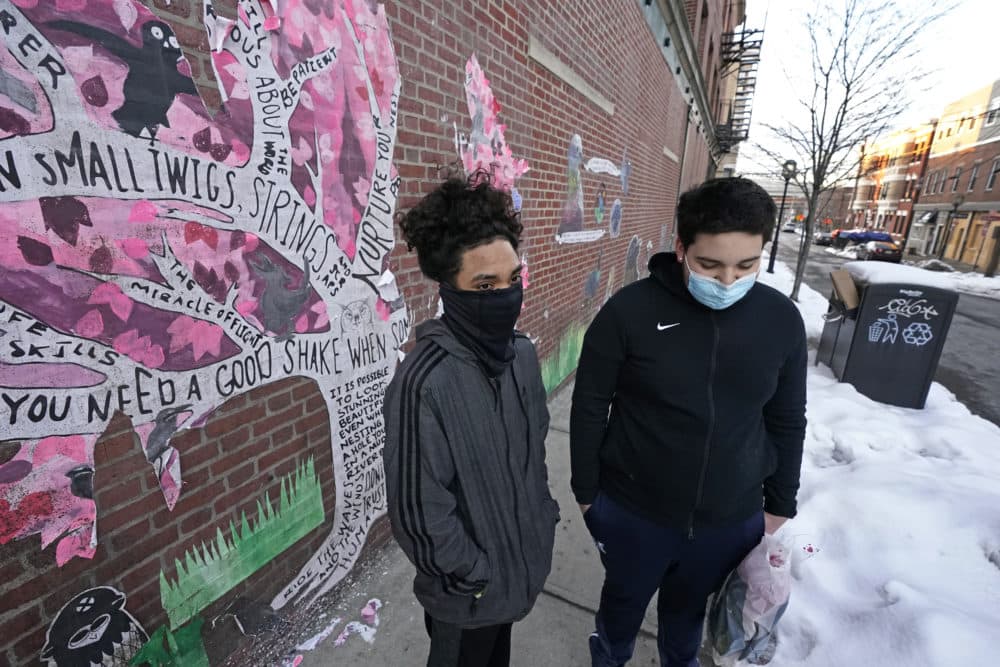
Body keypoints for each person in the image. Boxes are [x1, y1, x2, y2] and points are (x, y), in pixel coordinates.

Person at [570, 177, 807, 667]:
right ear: (681, 248)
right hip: (634, 512)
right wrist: (588, 493)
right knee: (620, 612)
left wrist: (779, 503)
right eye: (710, 264)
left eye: (746, 266)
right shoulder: (629, 312)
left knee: (687, 621)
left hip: (730, 518)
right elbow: (591, 403)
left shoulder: (781, 320)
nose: (727, 282)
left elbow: (787, 418)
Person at [383, 172, 559, 667]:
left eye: (512, 279)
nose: (505, 296)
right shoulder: (424, 383)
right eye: (485, 285)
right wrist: (473, 577)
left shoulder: (521, 357)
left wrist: (540, 517)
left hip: (515, 571)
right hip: (468, 598)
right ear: (451, 288)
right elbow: (420, 512)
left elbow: (534, 450)